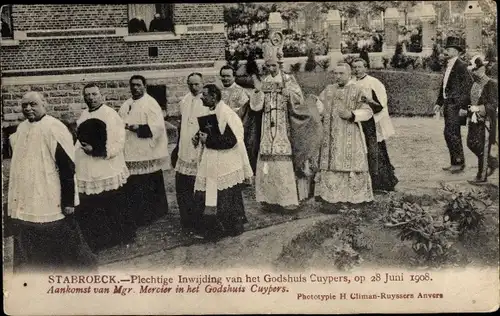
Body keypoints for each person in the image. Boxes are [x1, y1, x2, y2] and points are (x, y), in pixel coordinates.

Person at [8, 92, 97, 273]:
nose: (28, 108)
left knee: (62, 240)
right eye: (24, 105)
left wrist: (68, 201)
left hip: (50, 194)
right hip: (29, 196)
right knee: (31, 238)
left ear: (45, 104)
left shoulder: (54, 128)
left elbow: (67, 167)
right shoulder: (22, 129)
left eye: (33, 104)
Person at [250, 56, 322, 211]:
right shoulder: (265, 81)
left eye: (274, 65)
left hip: (285, 125)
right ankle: (269, 200)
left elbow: (299, 99)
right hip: (267, 126)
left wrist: (288, 93)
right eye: (268, 66)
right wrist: (257, 91)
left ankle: (287, 201)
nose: (271, 68)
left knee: (284, 160)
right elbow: (256, 106)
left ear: (279, 65)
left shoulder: (288, 79)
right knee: (267, 161)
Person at [75, 83, 135, 252]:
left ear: (101, 96)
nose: (91, 98)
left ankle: (121, 235)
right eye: (87, 94)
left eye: (94, 94)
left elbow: (119, 142)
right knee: (93, 204)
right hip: (88, 166)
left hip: (106, 165)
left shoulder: (110, 115)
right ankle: (100, 238)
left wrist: (97, 151)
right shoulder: (84, 115)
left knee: (112, 201)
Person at [193, 84, 253, 239]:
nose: (202, 97)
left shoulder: (227, 114)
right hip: (212, 159)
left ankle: (227, 228)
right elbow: (208, 129)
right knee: (210, 194)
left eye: (204, 95)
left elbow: (232, 140)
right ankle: (213, 228)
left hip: (225, 161)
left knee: (225, 196)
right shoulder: (209, 110)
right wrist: (197, 137)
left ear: (214, 96)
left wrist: (209, 139)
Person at [314, 63, 374, 206]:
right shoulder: (328, 90)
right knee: (331, 165)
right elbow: (321, 109)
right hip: (330, 136)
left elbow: (368, 111)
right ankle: (331, 199)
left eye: (341, 73)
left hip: (350, 135)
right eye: (335, 73)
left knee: (351, 166)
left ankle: (353, 199)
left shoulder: (358, 90)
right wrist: (315, 103)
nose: (338, 76)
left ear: (349, 74)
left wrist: (352, 114)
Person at [118, 75, 170, 227]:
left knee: (149, 180)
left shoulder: (150, 103)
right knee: (135, 183)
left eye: (138, 85)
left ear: (144, 86)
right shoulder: (126, 104)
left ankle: (155, 211)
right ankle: (137, 212)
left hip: (147, 149)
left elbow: (158, 127)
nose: (135, 88)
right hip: (131, 149)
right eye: (133, 85)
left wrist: (138, 128)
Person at [352, 58, 398, 192]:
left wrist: (369, 101)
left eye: (360, 67)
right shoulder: (351, 82)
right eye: (354, 67)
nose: (357, 70)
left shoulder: (373, 82)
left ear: (365, 67)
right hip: (357, 119)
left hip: (372, 121)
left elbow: (381, 104)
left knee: (375, 150)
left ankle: (382, 182)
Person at [170, 73, 208, 238]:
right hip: (184, 148)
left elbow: (208, 123)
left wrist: (200, 135)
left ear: (202, 84)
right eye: (191, 84)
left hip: (199, 148)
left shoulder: (206, 101)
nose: (194, 87)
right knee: (183, 185)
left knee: (197, 186)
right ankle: (186, 218)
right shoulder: (184, 101)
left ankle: (199, 220)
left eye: (197, 84)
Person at [434, 36, 473, 173]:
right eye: (446, 49)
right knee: (449, 133)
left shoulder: (461, 66)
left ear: (456, 52)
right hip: (448, 104)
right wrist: (439, 102)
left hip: (456, 105)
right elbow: (444, 86)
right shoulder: (449, 65)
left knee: (452, 133)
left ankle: (458, 162)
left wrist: (463, 106)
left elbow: (468, 87)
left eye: (449, 49)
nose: (446, 51)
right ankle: (454, 161)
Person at [219, 65, 261, 173]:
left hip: (234, 127)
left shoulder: (241, 91)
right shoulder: (218, 92)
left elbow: (243, 112)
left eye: (228, 76)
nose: (225, 79)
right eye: (223, 76)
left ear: (234, 77)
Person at [465, 55, 498, 184]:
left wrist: (478, 108)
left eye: (476, 69)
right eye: (473, 70)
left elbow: (493, 105)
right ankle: (493, 162)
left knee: (483, 148)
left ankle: (481, 177)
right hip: (474, 121)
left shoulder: (491, 84)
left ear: (482, 69)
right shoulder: (474, 84)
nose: (473, 72)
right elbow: (470, 100)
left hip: (486, 122)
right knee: (471, 143)